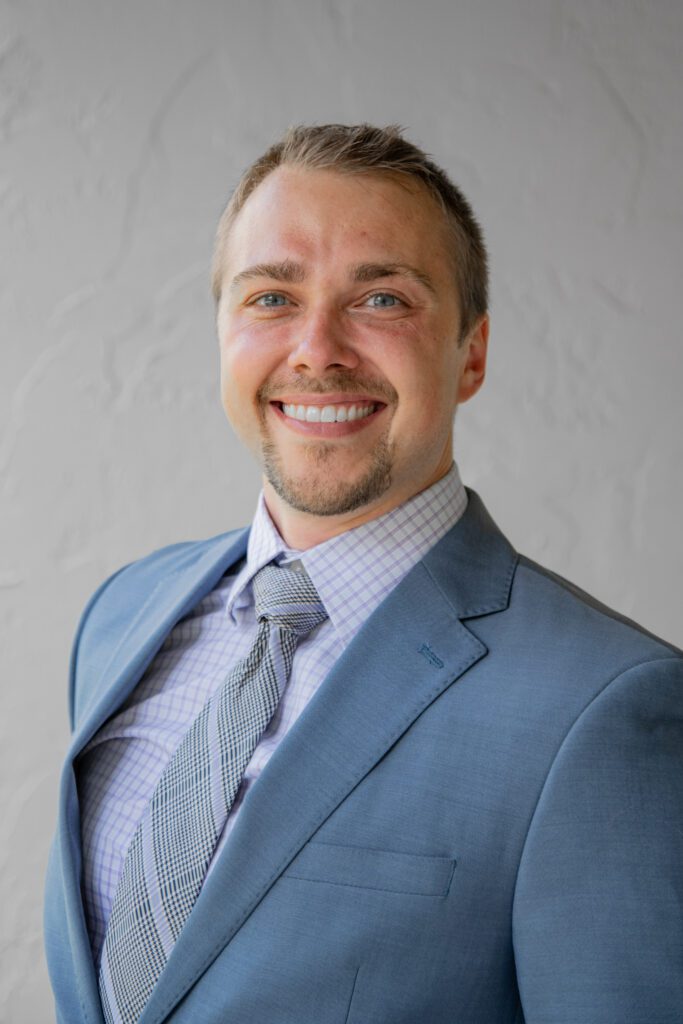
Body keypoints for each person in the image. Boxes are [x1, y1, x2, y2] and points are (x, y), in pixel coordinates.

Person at [44, 123, 683, 1024]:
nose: (317, 348)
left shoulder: (608, 710)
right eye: (270, 297)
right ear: (222, 329)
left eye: (381, 299)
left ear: (471, 354)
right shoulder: (121, 617)